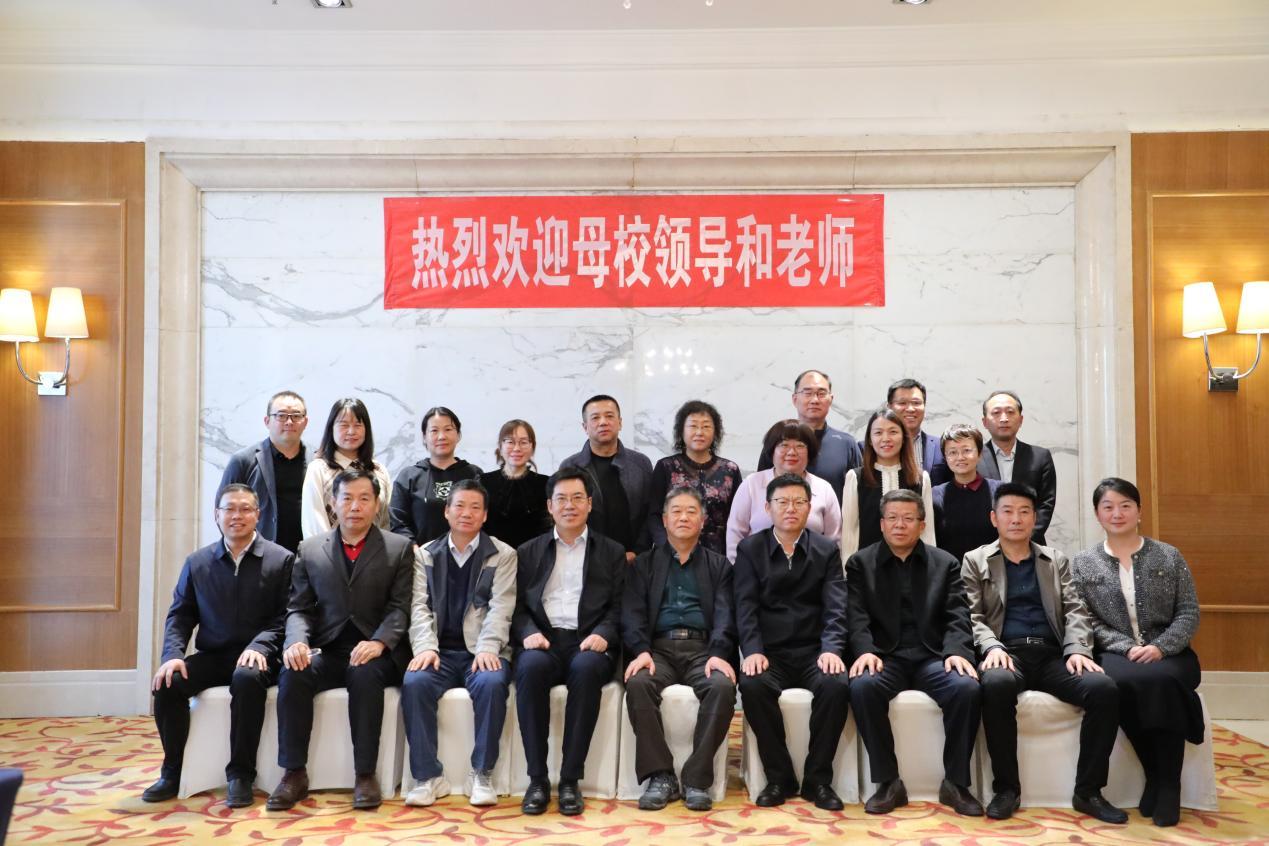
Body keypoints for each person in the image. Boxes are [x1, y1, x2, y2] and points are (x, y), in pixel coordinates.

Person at [962, 483, 1126, 823]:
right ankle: (1007, 789)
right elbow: (972, 615)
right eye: (1008, 511)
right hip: (1006, 653)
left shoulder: (1055, 560)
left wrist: (1077, 650)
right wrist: (991, 646)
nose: (1016, 519)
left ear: (1035, 518)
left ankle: (1089, 791)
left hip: (1053, 655)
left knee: (1104, 689)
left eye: (1024, 512)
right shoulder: (975, 560)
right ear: (994, 518)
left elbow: (1076, 610)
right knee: (995, 684)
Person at [267, 468, 414, 811]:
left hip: (375, 650)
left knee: (364, 674)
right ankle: (293, 773)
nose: (355, 507)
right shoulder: (310, 549)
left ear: (376, 504)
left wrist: (380, 642)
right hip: (329, 648)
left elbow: (400, 607)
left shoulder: (398, 548)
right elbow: (299, 608)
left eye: (364, 499)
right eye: (347, 498)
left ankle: (365, 774)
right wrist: (296, 642)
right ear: (333, 503)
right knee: (294, 672)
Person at [144, 483, 293, 808]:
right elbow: (180, 615)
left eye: (245, 509)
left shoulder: (281, 560)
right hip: (214, 655)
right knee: (168, 683)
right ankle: (173, 771)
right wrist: (172, 655)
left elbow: (286, 617)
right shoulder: (198, 563)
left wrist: (260, 646)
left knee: (246, 678)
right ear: (217, 515)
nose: (237, 516)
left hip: (261, 657)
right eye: (229, 509)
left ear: (257, 515)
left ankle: (240, 775)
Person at [1072, 478, 1202, 828]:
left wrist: (1161, 647)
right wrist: (1128, 647)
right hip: (1118, 652)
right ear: (1097, 514)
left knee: (1164, 682)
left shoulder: (1168, 556)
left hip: (1171, 651)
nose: (1117, 513)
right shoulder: (1083, 563)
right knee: (1120, 685)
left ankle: (1168, 785)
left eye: (1125, 505)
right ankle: (1155, 773)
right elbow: (1085, 619)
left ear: (1139, 511)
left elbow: (1189, 611)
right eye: (1108, 507)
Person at [846, 489, 983, 817]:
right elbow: (856, 616)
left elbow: (957, 615)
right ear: (881, 524)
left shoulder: (945, 563)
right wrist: (864, 650)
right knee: (863, 687)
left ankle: (956, 783)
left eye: (908, 518)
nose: (900, 525)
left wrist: (956, 651)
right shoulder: (860, 563)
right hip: (885, 657)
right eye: (892, 518)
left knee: (966, 688)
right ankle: (888, 782)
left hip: (931, 656)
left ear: (922, 525)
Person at [512, 467, 626, 816]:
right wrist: (527, 632)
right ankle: (537, 779)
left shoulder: (611, 551)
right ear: (550, 506)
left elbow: (620, 606)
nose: (569, 506)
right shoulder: (528, 551)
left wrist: (603, 634)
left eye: (577, 498)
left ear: (589, 504)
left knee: (588, 669)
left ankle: (570, 780)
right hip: (543, 640)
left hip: (588, 640)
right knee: (529, 668)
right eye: (561, 499)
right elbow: (515, 606)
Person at [733, 473, 851, 810]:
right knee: (752, 685)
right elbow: (745, 606)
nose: (791, 508)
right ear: (767, 508)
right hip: (771, 654)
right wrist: (752, 650)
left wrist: (831, 649)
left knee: (835, 685)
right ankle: (779, 778)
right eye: (782, 502)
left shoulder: (826, 550)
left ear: (809, 508)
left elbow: (836, 606)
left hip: (814, 652)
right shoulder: (750, 549)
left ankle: (818, 780)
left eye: (799, 502)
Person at [401, 480, 516, 808]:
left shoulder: (503, 555)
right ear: (447, 512)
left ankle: (481, 773)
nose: (467, 513)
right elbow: (418, 606)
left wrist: (488, 648)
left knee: (492, 683)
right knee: (414, 682)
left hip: (480, 650)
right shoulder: (425, 555)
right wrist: (426, 647)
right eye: (460, 506)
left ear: (485, 515)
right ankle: (427, 776)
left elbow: (501, 606)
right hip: (439, 651)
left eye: (475, 507)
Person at [622, 487, 737, 813]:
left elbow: (726, 615)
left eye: (691, 511)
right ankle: (660, 776)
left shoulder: (719, 566)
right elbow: (631, 613)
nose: (683, 517)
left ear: (703, 520)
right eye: (676, 511)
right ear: (664, 520)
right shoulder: (644, 565)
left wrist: (718, 652)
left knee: (722, 687)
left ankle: (697, 779)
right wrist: (641, 650)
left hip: (703, 650)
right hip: (657, 649)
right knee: (639, 683)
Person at [726, 419, 842, 562]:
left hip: (813, 570)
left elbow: (835, 539)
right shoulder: (751, 484)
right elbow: (735, 534)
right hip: (757, 570)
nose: (792, 452)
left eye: (800, 446)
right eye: (784, 445)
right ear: (772, 450)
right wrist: (738, 569)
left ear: (809, 452)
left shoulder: (824, 488)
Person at [560, 394, 654, 561]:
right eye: (595, 418)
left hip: (634, 561)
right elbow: (565, 517)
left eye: (609, 416)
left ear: (620, 422)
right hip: (586, 559)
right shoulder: (570, 467)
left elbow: (651, 513)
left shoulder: (641, 464)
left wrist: (638, 552)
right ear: (585, 427)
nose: (603, 422)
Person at [646, 400, 742, 557]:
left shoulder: (730, 470)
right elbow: (654, 515)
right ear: (681, 431)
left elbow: (738, 519)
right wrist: (667, 548)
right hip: (673, 555)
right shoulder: (666, 467)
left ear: (715, 432)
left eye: (706, 426)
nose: (699, 432)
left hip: (719, 556)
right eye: (693, 426)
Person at [218, 390, 309, 552]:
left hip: (307, 557)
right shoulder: (243, 461)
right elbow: (223, 511)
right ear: (267, 421)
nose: (289, 422)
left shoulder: (318, 462)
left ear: (305, 422)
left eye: (296, 416)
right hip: (259, 557)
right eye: (281, 416)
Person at [841, 408, 935, 558]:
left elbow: (927, 531)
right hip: (868, 565)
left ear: (903, 437)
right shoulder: (856, 478)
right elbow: (849, 532)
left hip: (911, 565)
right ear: (870, 440)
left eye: (893, 432)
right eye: (878, 433)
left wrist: (929, 565)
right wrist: (849, 567)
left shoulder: (920, 478)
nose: (886, 438)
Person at [756, 369, 861, 502]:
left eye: (821, 393)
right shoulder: (777, 441)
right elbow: (760, 488)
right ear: (795, 399)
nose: (814, 400)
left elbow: (859, 493)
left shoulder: (846, 444)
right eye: (807, 393)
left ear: (831, 399)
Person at [300, 398, 392, 539]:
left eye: (358, 425)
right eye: (344, 425)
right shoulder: (318, 469)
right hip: (329, 551)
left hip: (376, 551)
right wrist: (330, 550)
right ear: (331, 428)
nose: (351, 431)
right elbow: (313, 521)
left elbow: (386, 521)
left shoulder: (379, 471)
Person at [390, 406, 482, 546]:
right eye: (434, 430)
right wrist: (414, 549)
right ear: (424, 437)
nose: (441, 436)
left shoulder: (474, 475)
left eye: (448, 429)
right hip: (420, 556)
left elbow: (483, 518)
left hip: (468, 554)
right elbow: (398, 521)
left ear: (458, 435)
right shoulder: (408, 476)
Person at [976, 391, 1057, 545]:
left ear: (1020, 420)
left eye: (1010, 412)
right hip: (986, 547)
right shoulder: (974, 459)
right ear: (985, 422)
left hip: (1031, 546)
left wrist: (1024, 540)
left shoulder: (1040, 457)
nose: (1004, 418)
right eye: (996, 413)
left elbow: (1046, 504)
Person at [932, 424, 1001, 564]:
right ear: (945, 457)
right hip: (951, 572)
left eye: (967, 450)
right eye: (952, 452)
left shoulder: (1000, 491)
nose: (960, 457)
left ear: (979, 454)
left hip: (992, 570)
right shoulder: (934, 496)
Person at [479, 419, 551, 549]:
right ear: (500, 447)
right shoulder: (483, 482)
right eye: (510, 442)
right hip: (492, 555)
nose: (517, 448)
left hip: (535, 555)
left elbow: (548, 529)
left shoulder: (546, 483)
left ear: (532, 447)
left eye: (523, 442)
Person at [887, 378, 950, 486]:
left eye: (916, 403)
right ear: (889, 407)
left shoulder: (942, 446)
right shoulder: (868, 447)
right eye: (902, 403)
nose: (910, 409)